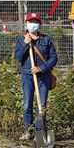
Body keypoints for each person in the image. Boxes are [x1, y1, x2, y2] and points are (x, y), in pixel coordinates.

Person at [14, 12, 58, 140]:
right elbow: (17, 58)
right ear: (26, 23)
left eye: (36, 22)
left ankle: (39, 133)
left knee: (41, 105)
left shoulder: (46, 40)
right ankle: (28, 131)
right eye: (31, 22)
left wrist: (41, 68)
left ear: (39, 24)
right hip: (27, 76)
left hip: (43, 77)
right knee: (27, 104)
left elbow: (54, 58)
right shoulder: (20, 40)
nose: (33, 24)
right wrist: (25, 43)